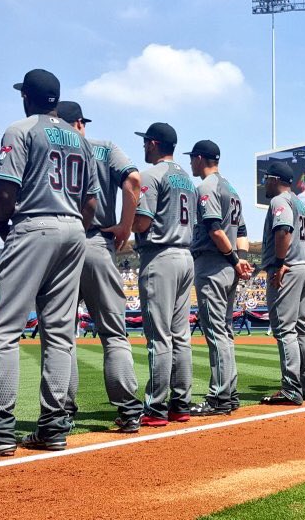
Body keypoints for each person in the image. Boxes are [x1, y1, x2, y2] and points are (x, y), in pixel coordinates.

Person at [0, 68, 96, 457]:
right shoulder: (81, 142)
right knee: (61, 333)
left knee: (4, 327)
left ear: (27, 96)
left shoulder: (21, 129)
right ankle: (54, 428)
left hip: (34, 225)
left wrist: (4, 226)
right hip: (74, 229)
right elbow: (92, 203)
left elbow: (6, 189)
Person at [56, 101, 145, 432]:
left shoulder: (47, 144)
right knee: (113, 332)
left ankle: (60, 413)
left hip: (59, 245)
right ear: (80, 123)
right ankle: (128, 409)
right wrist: (126, 225)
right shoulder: (105, 148)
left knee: (61, 334)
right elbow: (133, 181)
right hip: (96, 243)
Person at [130, 122, 197, 426]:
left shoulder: (152, 175)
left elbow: (143, 222)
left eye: (146, 142)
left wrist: (125, 225)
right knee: (180, 336)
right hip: (186, 256)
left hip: (160, 256)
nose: (144, 147)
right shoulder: (188, 178)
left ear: (155, 144)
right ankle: (180, 403)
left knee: (159, 337)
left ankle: (156, 407)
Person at [184, 139, 252, 415]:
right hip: (228, 264)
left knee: (215, 332)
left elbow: (213, 228)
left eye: (193, 158)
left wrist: (235, 260)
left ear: (201, 159)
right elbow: (243, 230)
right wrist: (242, 259)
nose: (191, 163)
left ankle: (220, 396)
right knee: (224, 330)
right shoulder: (232, 188)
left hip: (213, 264)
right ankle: (229, 393)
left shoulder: (206, 187)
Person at [259, 162, 305, 406]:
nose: (264, 183)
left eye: (266, 179)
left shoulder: (279, 201)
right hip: (304, 267)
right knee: (300, 327)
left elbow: (283, 230)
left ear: (275, 179)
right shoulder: (302, 205)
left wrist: (282, 262)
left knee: (285, 329)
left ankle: (291, 388)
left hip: (289, 268)